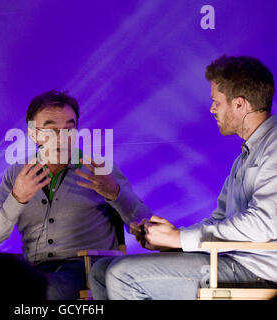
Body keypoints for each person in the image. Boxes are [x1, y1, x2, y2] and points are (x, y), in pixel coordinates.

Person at [88, 55, 277, 300]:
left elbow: (264, 222)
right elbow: (219, 220)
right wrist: (172, 239)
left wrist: (180, 238)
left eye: (216, 102)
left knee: (122, 275)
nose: (212, 109)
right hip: (228, 257)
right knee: (100, 272)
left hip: (256, 269)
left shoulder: (274, 146)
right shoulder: (244, 156)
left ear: (239, 105)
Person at [0, 90, 152, 299]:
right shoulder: (18, 173)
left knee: (42, 291)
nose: (61, 138)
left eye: (69, 129)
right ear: (33, 133)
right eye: (51, 130)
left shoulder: (98, 169)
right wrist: (17, 199)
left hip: (87, 269)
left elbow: (146, 224)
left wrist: (114, 193)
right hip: (31, 268)